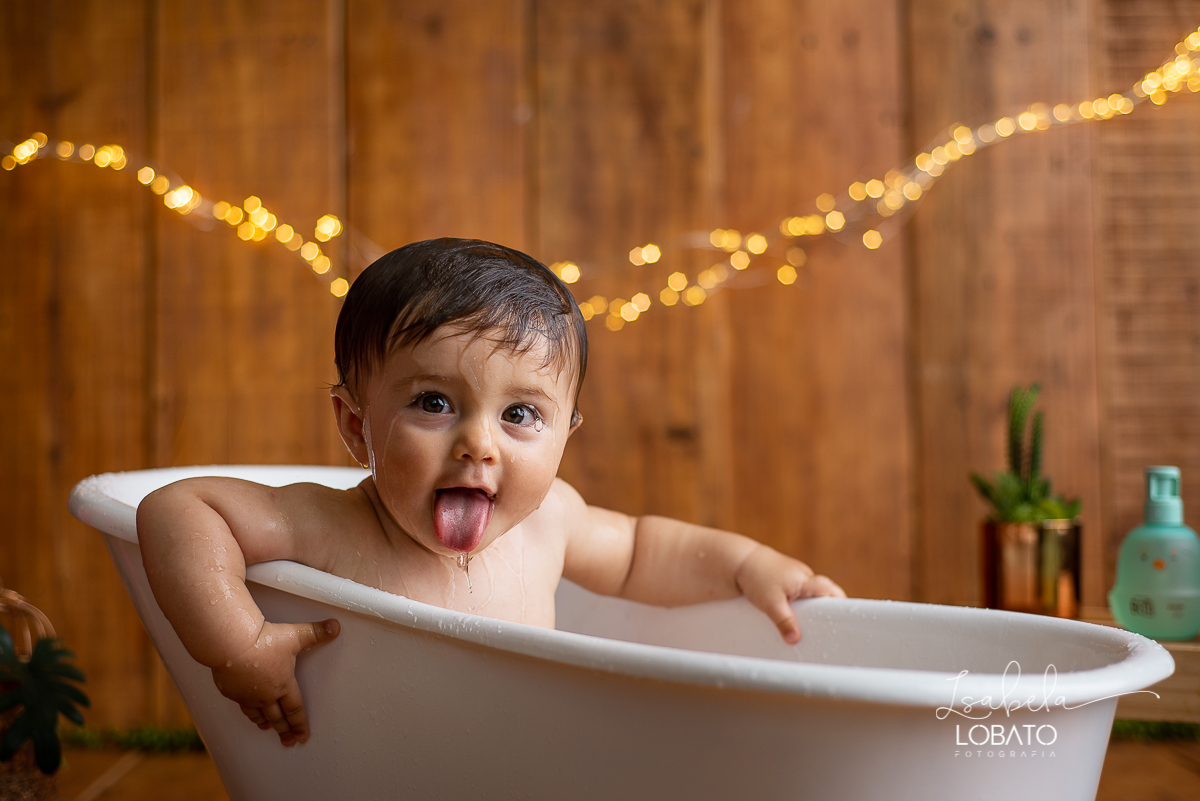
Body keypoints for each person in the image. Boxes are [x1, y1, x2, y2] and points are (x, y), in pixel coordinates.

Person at [136, 237, 845, 748]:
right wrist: (239, 645)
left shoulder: (550, 523)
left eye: (519, 415)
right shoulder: (330, 524)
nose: (480, 443)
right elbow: (178, 509)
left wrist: (747, 565)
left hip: (519, 764)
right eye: (435, 403)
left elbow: (640, 550)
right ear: (358, 426)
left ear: (567, 431)